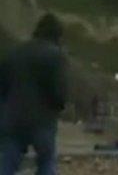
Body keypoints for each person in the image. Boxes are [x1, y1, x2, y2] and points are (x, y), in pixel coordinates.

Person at [0, 14, 68, 175]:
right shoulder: (55, 56)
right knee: (46, 160)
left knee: (8, 161)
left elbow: (2, 86)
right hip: (42, 121)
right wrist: (60, 106)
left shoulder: (15, 52)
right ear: (57, 35)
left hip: (13, 118)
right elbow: (58, 92)